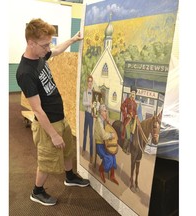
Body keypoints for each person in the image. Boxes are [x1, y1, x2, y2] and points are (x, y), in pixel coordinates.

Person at [16, 18, 90, 206]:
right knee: (47, 159)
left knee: (67, 151)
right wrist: (53, 135)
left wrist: (72, 40)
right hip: (47, 123)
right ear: (31, 43)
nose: (48, 48)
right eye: (44, 45)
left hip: (59, 117)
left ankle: (70, 177)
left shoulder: (41, 55)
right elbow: (38, 110)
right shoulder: (25, 72)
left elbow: (56, 51)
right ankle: (37, 191)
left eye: (49, 43)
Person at [94, 104, 119, 185]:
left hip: (106, 144)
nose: (106, 113)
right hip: (100, 145)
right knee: (108, 157)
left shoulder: (104, 121)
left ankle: (112, 176)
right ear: (101, 112)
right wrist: (112, 135)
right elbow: (104, 135)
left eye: (106, 111)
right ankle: (101, 170)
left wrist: (108, 123)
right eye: (105, 111)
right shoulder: (99, 121)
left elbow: (109, 129)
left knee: (113, 156)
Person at [120, 86, 138, 154]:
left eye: (134, 93)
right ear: (130, 93)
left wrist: (136, 116)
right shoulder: (127, 100)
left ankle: (129, 149)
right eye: (132, 92)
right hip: (128, 120)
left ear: (135, 94)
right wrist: (125, 114)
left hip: (133, 122)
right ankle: (124, 148)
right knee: (127, 136)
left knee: (133, 136)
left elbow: (135, 112)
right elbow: (122, 107)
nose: (133, 94)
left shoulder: (135, 104)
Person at [82, 75, 94, 163]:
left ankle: (91, 155)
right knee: (85, 132)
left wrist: (94, 106)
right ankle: (83, 149)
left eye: (91, 81)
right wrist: (89, 104)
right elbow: (83, 102)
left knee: (91, 134)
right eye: (88, 81)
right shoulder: (85, 92)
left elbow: (96, 104)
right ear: (87, 82)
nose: (90, 83)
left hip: (92, 115)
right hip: (86, 113)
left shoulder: (94, 93)